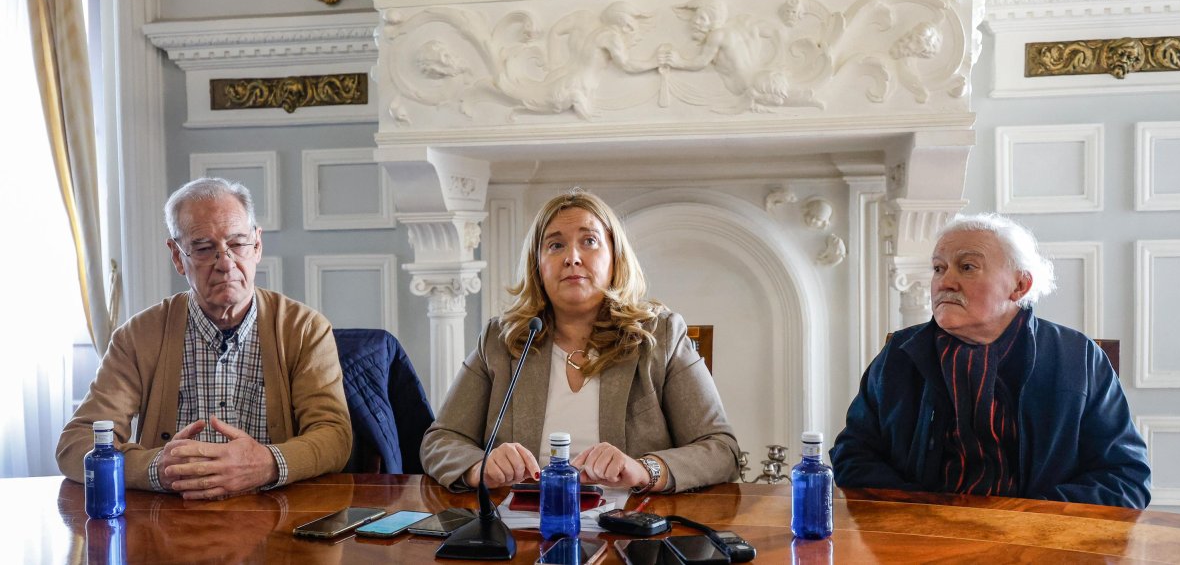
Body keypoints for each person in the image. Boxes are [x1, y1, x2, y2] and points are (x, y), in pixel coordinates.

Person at [421, 189, 740, 493]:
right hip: (524, 527)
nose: (572, 257)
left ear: (615, 257)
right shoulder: (500, 340)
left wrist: (645, 469)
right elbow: (441, 441)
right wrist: (481, 466)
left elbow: (722, 451)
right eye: (555, 246)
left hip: (633, 528)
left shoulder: (662, 336)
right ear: (538, 265)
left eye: (589, 241)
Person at [57, 178, 351, 499]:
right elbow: (77, 443)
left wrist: (266, 462)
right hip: (170, 520)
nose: (225, 263)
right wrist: (157, 467)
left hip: (273, 514)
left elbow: (334, 436)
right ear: (177, 256)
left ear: (257, 246)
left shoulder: (304, 329)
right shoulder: (138, 336)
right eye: (203, 248)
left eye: (237, 244)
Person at [831, 213, 1151, 509]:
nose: (945, 282)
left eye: (967, 267)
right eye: (939, 268)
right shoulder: (901, 354)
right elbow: (853, 454)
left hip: (1036, 542)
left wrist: (1022, 518)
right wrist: (922, 513)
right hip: (923, 535)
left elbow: (1124, 477)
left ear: (1019, 285)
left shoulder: (1077, 358)